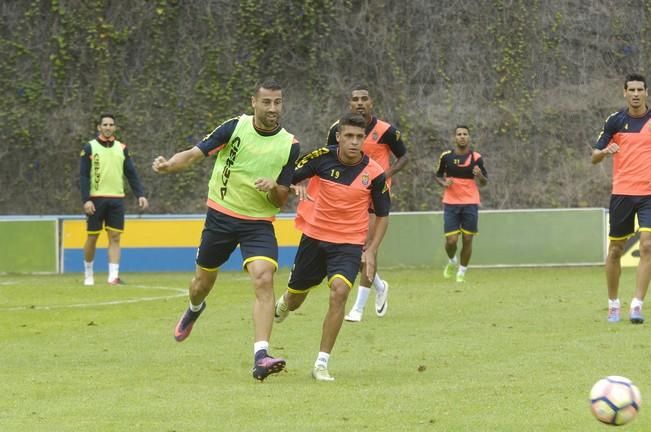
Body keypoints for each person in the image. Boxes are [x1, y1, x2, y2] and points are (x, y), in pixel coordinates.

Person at [151, 79, 300, 380]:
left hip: (258, 223)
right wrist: (170, 165)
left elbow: (282, 198)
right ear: (253, 103)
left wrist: (273, 188)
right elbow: (194, 154)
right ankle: (194, 308)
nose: (273, 108)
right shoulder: (235, 128)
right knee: (201, 283)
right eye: (267, 102)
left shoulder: (290, 145)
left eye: (278, 102)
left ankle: (261, 355)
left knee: (264, 278)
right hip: (220, 217)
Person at [274, 112, 391, 381]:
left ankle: (321, 363)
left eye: (359, 137)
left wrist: (371, 249)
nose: (354, 142)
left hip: (349, 243)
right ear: (338, 137)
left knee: (339, 293)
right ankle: (285, 301)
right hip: (314, 238)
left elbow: (383, 215)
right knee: (295, 299)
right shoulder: (321, 158)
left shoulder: (374, 173)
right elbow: (288, 175)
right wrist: (296, 185)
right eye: (348, 136)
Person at [326, 85, 408, 323]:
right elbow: (329, 157)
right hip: (349, 195)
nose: (360, 103)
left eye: (364, 98)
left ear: (371, 102)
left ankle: (358, 308)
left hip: (375, 194)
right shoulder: (337, 130)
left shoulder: (386, 130)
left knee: (367, 247)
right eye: (355, 99)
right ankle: (380, 286)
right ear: (349, 103)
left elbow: (404, 155)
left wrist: (387, 173)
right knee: (354, 249)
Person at [592, 73, 651, 324]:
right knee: (615, 250)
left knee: (648, 246)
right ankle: (613, 304)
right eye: (632, 90)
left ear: (646, 92)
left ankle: (637, 304)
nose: (636, 94)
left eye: (640, 89)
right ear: (624, 92)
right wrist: (606, 151)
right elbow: (594, 156)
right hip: (622, 193)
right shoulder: (615, 121)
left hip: (649, 193)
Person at [79, 113, 149, 286]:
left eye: (111, 125)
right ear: (99, 127)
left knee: (115, 237)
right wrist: (86, 199)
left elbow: (131, 173)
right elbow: (83, 176)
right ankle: (88, 274)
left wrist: (140, 194)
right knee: (92, 237)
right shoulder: (90, 148)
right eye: (105, 124)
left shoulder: (122, 148)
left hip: (116, 198)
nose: (108, 127)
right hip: (95, 199)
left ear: (115, 128)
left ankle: (113, 277)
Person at [435, 125, 488, 283]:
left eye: (465, 134)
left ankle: (462, 272)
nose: (462, 136)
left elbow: (484, 182)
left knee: (467, 239)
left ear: (469, 137)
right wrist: (444, 183)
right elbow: (437, 175)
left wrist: (479, 176)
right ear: (455, 137)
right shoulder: (446, 157)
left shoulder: (476, 158)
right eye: (459, 134)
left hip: (470, 203)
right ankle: (452, 261)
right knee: (451, 241)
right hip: (451, 203)